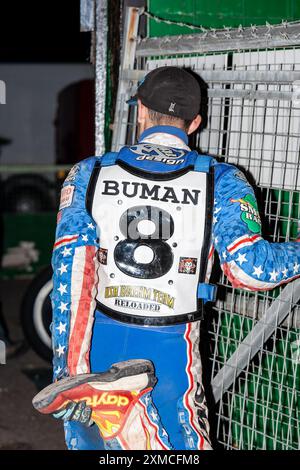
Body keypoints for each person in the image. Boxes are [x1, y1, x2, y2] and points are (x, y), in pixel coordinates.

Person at [32, 66, 300, 450]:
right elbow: (251, 270)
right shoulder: (222, 179)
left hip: (97, 342)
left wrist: (69, 372)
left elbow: (72, 272)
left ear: (139, 111)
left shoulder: (87, 174)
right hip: (171, 347)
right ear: (195, 123)